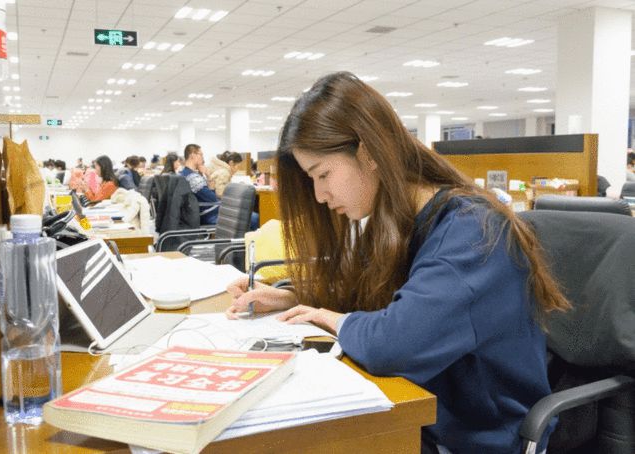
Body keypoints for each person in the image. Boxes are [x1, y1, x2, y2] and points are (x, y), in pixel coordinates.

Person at [225, 72, 570, 453]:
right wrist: (294, 297)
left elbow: (393, 344)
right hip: (426, 417)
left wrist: (335, 319)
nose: (320, 195)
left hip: (478, 437)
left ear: (368, 152)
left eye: (323, 174)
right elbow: (368, 293)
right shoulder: (400, 221)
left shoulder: (473, 233)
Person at [180, 144, 220, 225]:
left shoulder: (183, 173)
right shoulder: (194, 178)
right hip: (207, 215)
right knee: (251, 218)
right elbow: (213, 199)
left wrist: (202, 175)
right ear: (192, 155)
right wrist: (208, 176)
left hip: (199, 213)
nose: (203, 157)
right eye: (201, 154)